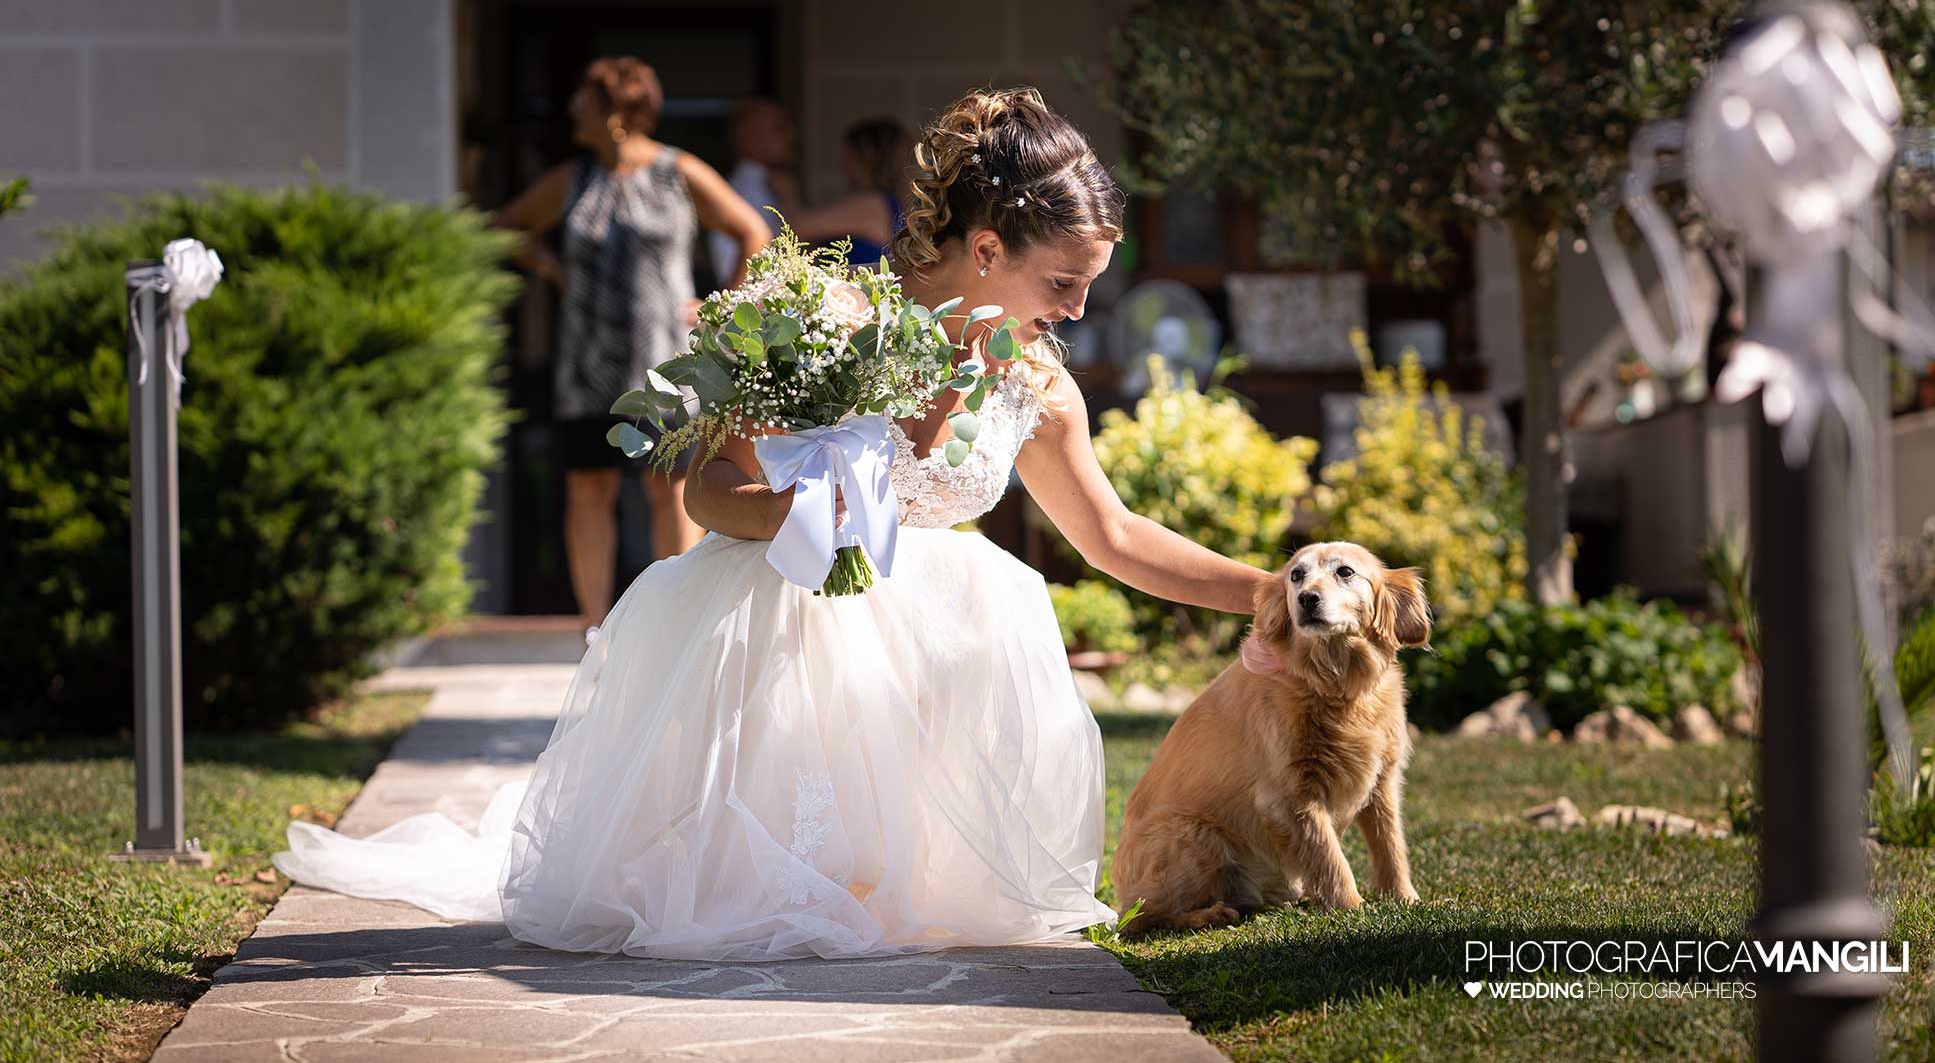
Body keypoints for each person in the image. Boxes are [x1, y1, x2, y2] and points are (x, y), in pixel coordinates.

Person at [274, 86, 1272, 961]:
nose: (1078, 307)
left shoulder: (1036, 386)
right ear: (984, 248)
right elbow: (704, 490)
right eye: (1063, 282)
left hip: (940, 662)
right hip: (788, 633)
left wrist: (1265, 591)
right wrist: (807, 512)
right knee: (755, 909)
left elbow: (1115, 535)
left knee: (917, 900)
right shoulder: (822, 322)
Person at [492, 56, 771, 623]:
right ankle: (594, 630)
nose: (571, 109)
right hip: (586, 361)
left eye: (582, 99)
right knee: (588, 486)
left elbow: (753, 231)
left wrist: (722, 305)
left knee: (668, 481)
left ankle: (681, 620)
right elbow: (505, 229)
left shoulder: (677, 171)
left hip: (662, 356)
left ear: (614, 108)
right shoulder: (573, 179)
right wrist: (550, 269)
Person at [773, 116, 910, 271]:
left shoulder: (871, 204)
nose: (844, 167)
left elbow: (797, 227)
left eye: (849, 158)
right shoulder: (885, 202)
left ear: (866, 158)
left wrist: (787, 191)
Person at [707, 96, 799, 282]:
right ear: (750, 135)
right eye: (779, 128)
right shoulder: (738, 193)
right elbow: (729, 265)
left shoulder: (778, 185)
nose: (792, 136)